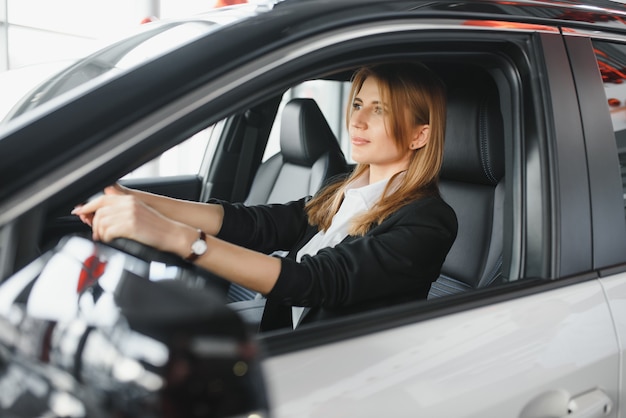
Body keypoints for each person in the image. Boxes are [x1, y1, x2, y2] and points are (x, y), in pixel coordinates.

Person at [72, 62, 458, 331]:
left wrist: (176, 238)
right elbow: (257, 223)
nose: (357, 120)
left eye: (379, 110)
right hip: (286, 340)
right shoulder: (344, 189)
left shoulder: (429, 219)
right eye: (357, 104)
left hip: (340, 365)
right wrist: (140, 201)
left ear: (419, 135)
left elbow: (316, 281)